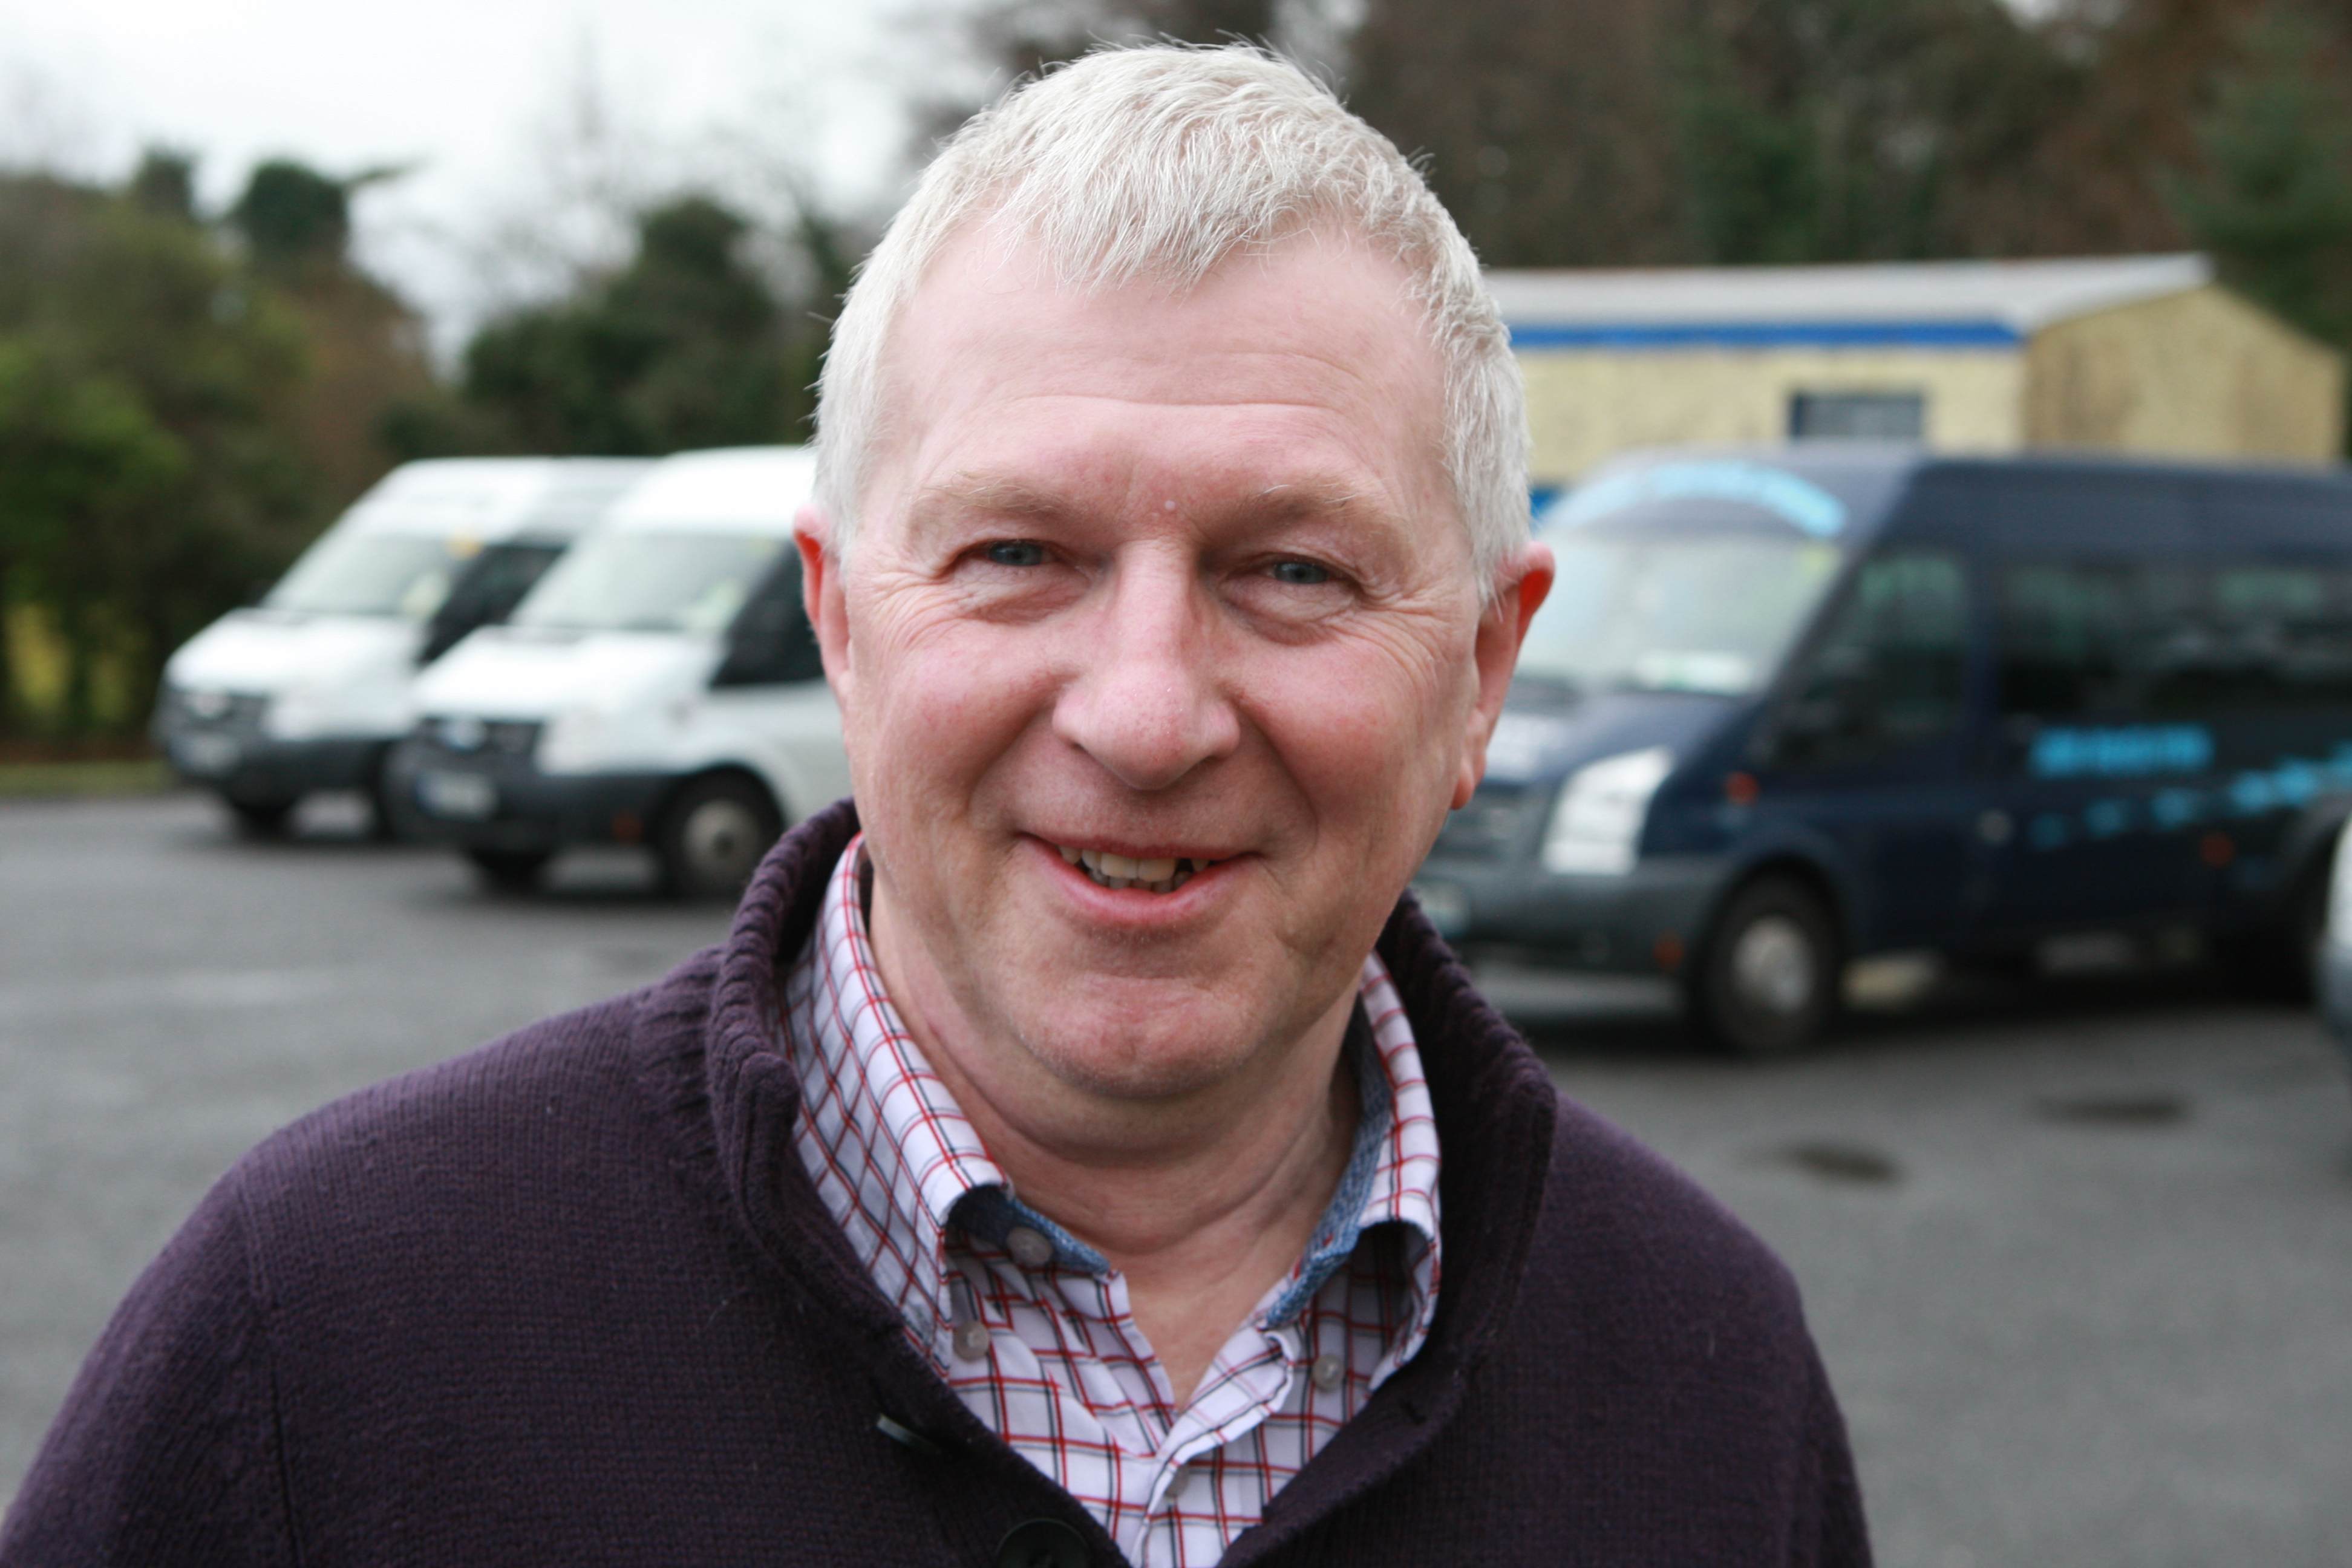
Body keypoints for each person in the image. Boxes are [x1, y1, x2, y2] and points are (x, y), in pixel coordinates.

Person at [2, 45, 1870, 1568]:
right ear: (838, 621)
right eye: (1017, 553)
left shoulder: (1707, 1379)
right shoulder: (330, 1336)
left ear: (1477, 675)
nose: (1145, 715)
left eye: (1293, 570)